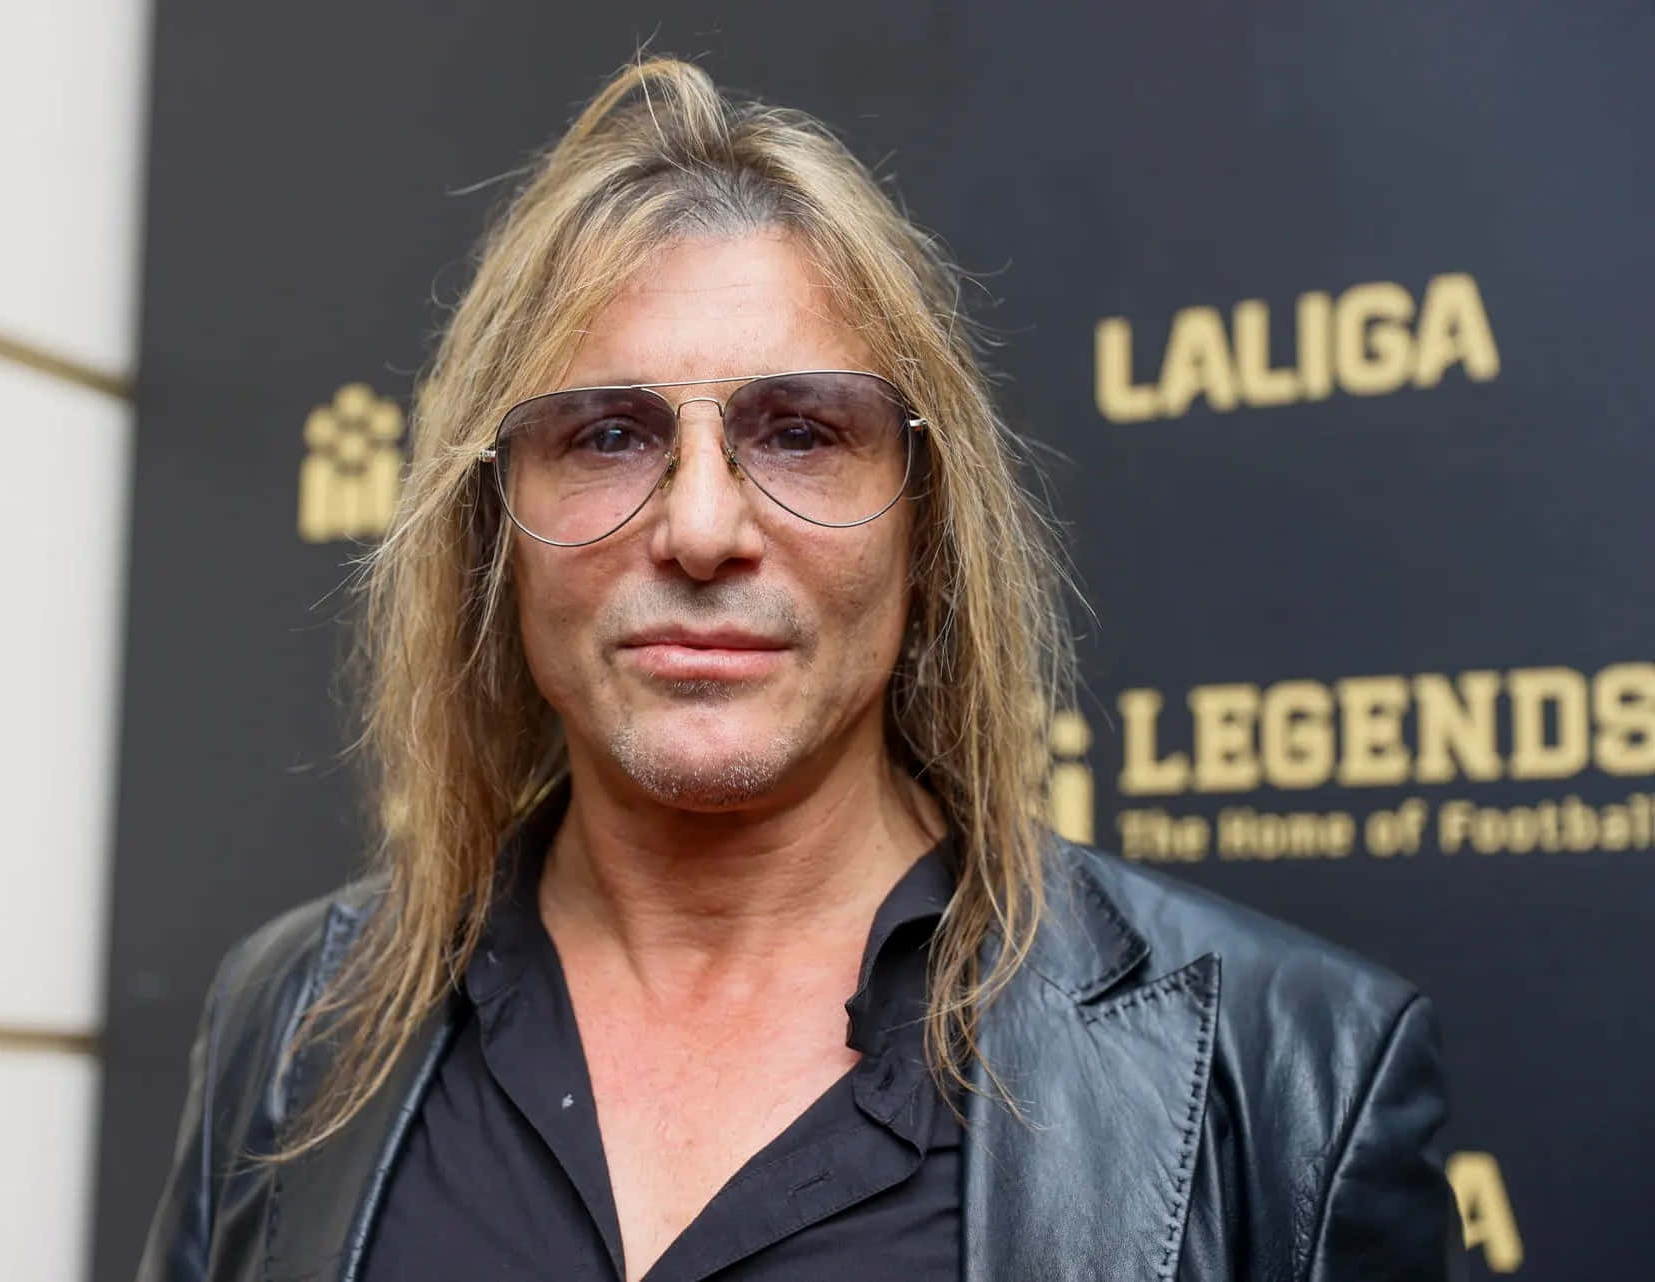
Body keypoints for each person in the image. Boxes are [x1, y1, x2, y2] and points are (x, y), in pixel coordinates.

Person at [139, 57, 1453, 1282]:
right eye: (607, 435)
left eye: (802, 433)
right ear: (495, 533)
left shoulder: (1293, 1080)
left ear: (927, 524)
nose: (703, 527)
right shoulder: (295, 1019)